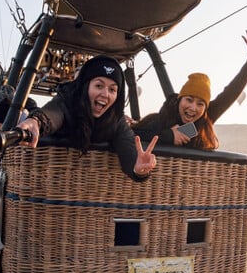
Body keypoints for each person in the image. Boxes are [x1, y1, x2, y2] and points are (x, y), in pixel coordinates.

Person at [18, 55, 157, 181]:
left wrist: (138, 169)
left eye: (112, 89)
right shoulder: (68, 101)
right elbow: (53, 113)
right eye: (99, 86)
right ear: (85, 86)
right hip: (51, 177)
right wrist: (36, 121)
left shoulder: (115, 120)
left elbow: (128, 146)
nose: (105, 94)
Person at [134, 31, 247, 150]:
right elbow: (130, 135)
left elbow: (232, 92)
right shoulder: (163, 117)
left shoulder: (205, 118)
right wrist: (169, 136)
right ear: (179, 99)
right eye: (189, 100)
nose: (193, 108)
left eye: (200, 104)